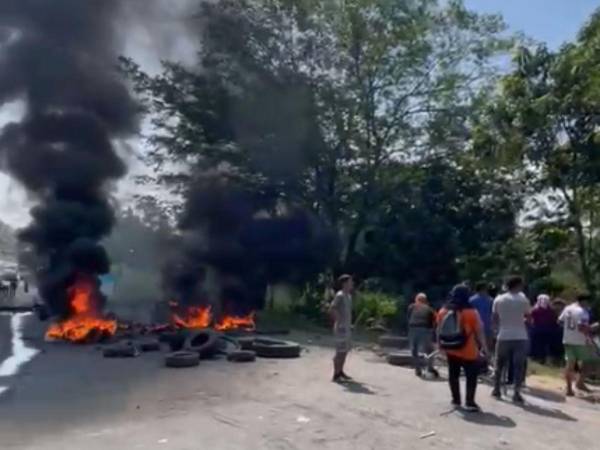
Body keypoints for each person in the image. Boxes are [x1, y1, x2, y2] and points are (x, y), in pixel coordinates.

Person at [438, 285, 488, 412]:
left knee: (453, 374)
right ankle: (470, 402)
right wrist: (484, 348)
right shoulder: (471, 312)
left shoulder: (443, 311)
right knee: (471, 376)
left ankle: (456, 400)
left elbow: (439, 330)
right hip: (468, 350)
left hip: (451, 347)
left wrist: (440, 346)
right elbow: (479, 331)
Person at [492, 275, 531, 403]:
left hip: (503, 335)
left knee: (499, 364)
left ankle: (496, 389)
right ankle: (516, 392)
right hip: (520, 335)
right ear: (518, 285)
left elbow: (495, 318)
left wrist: (496, 330)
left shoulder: (499, 299)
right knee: (518, 366)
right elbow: (528, 317)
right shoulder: (523, 299)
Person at [558, 295, 594, 396]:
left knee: (570, 365)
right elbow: (581, 328)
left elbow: (559, 321)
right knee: (589, 362)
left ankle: (569, 389)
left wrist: (568, 331)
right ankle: (579, 383)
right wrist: (591, 329)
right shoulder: (583, 312)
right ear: (584, 301)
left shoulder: (567, 308)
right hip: (580, 341)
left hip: (567, 339)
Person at [407, 293, 439, 378]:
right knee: (430, 350)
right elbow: (436, 320)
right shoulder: (430, 309)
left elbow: (409, 317)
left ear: (416, 299)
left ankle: (418, 369)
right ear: (425, 301)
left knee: (414, 350)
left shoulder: (411, 307)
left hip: (413, 328)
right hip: (425, 329)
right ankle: (430, 368)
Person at [329, 274, 354, 382]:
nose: (352, 284)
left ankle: (340, 371)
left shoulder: (349, 296)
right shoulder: (339, 295)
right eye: (350, 281)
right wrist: (338, 321)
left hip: (347, 327)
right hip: (341, 328)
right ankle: (335, 374)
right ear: (344, 283)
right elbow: (333, 308)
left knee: (345, 351)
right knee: (339, 351)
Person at [530, 294, 558, 364]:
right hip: (548, 330)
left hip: (538, 330)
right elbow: (554, 320)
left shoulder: (535, 309)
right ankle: (544, 359)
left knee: (538, 345)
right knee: (545, 345)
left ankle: (538, 358)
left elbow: (531, 318)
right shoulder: (551, 310)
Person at [470, 282, 494, 354]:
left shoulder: (471, 300)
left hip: (481, 326)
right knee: (486, 346)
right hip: (484, 326)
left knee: (479, 346)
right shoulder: (490, 300)